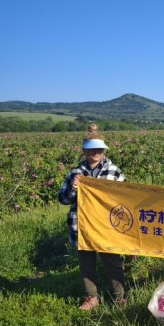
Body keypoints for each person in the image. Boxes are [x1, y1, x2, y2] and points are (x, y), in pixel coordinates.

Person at [58, 124, 127, 310]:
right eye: (90, 149)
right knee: (86, 262)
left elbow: (125, 198)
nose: (94, 153)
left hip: (107, 225)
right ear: (84, 151)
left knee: (112, 261)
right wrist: (73, 188)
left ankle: (119, 297)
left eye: (98, 149)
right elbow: (62, 199)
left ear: (103, 150)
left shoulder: (114, 171)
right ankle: (91, 297)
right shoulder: (75, 173)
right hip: (82, 224)